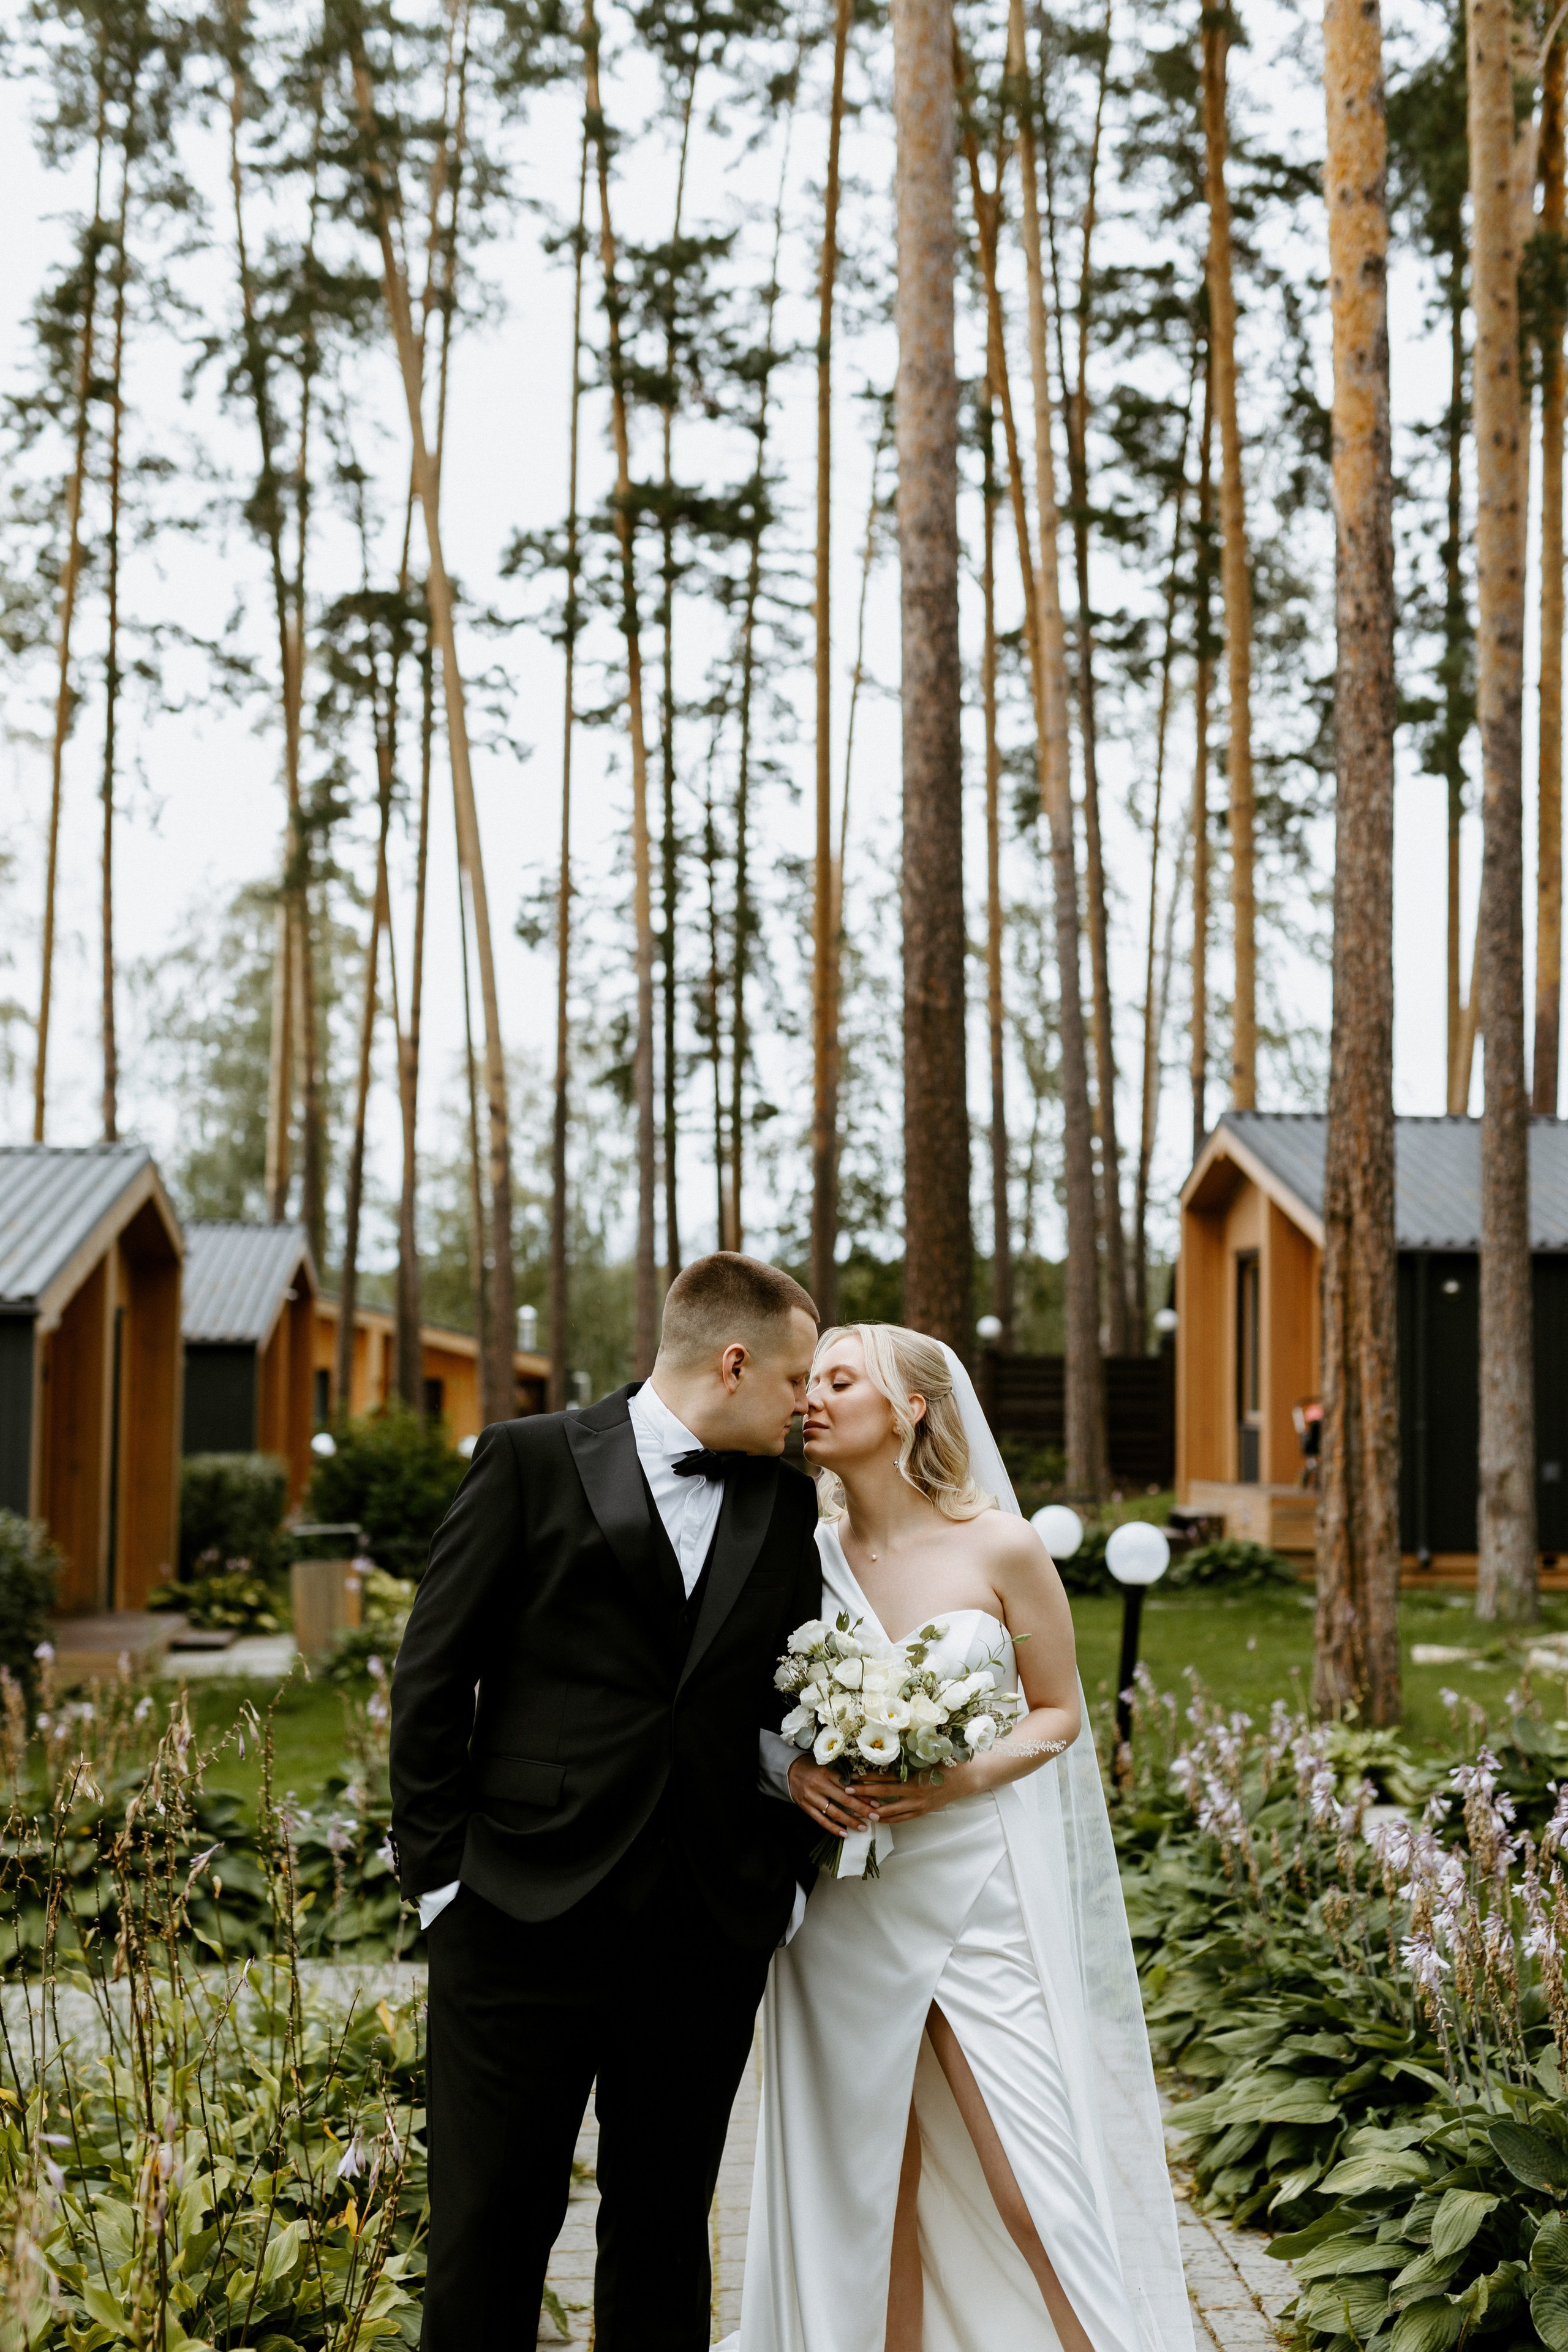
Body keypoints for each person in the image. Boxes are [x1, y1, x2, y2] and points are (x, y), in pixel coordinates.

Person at [388, 1252, 826, 2351]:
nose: (804, 1409)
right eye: (793, 1383)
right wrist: (443, 1882)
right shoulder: (527, 1461)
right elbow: (433, 1678)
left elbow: (786, 1705)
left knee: (668, 2228)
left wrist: (780, 1874)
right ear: (733, 1362)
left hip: (704, 1927)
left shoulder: (787, 1506)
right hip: (516, 1913)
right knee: (490, 2225)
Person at [728, 1324, 1192, 2352]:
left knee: (1033, 2185)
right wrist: (796, 1773)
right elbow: (737, 1713)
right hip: (844, 1906)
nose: (813, 1397)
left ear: (912, 1409)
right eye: (811, 1381)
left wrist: (960, 1777)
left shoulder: (1001, 1545)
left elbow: (1059, 1710)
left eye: (841, 1379)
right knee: (867, 2197)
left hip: (977, 1893)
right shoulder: (795, 1556)